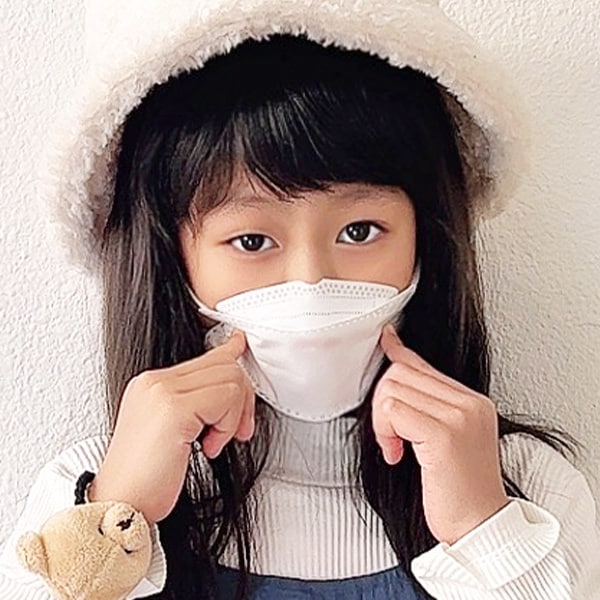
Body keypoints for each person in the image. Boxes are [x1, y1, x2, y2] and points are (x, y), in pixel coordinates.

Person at [1, 1, 599, 599]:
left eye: (359, 231)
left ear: (428, 238)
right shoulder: (88, 494)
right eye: (252, 240)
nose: (311, 282)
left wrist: (485, 532)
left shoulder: (526, 488)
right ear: (172, 259)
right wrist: (114, 523)